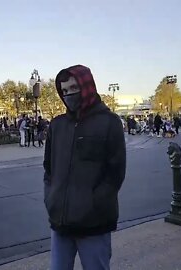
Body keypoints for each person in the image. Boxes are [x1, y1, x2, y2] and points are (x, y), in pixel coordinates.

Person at [44, 65, 126, 270]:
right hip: (60, 221)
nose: (69, 95)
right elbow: (48, 169)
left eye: (73, 87)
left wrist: (94, 203)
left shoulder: (109, 123)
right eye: (64, 91)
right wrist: (50, 198)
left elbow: (115, 174)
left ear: (86, 85)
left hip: (94, 224)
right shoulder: (57, 125)